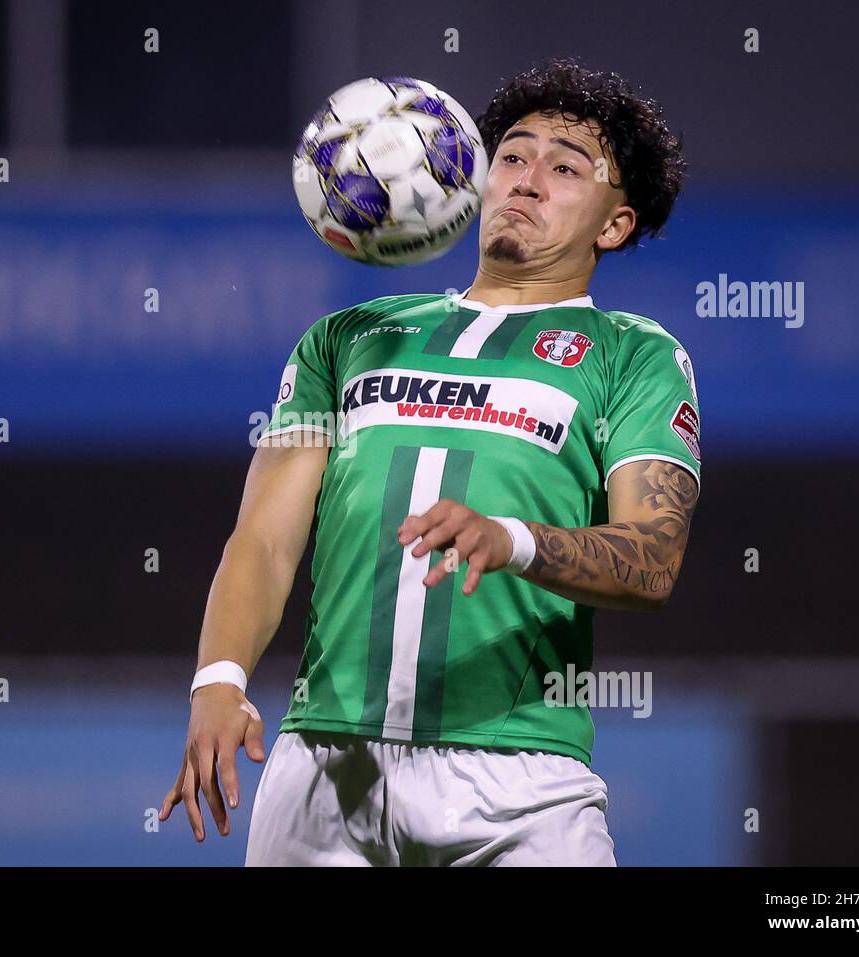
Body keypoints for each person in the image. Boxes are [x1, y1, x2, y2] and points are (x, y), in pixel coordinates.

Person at [159, 58, 700, 866]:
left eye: (565, 168)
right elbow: (264, 542)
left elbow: (652, 560)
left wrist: (511, 538)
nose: (527, 180)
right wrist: (219, 678)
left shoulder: (632, 356)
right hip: (322, 775)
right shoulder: (348, 337)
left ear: (614, 224)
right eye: (512, 156)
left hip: (520, 783)